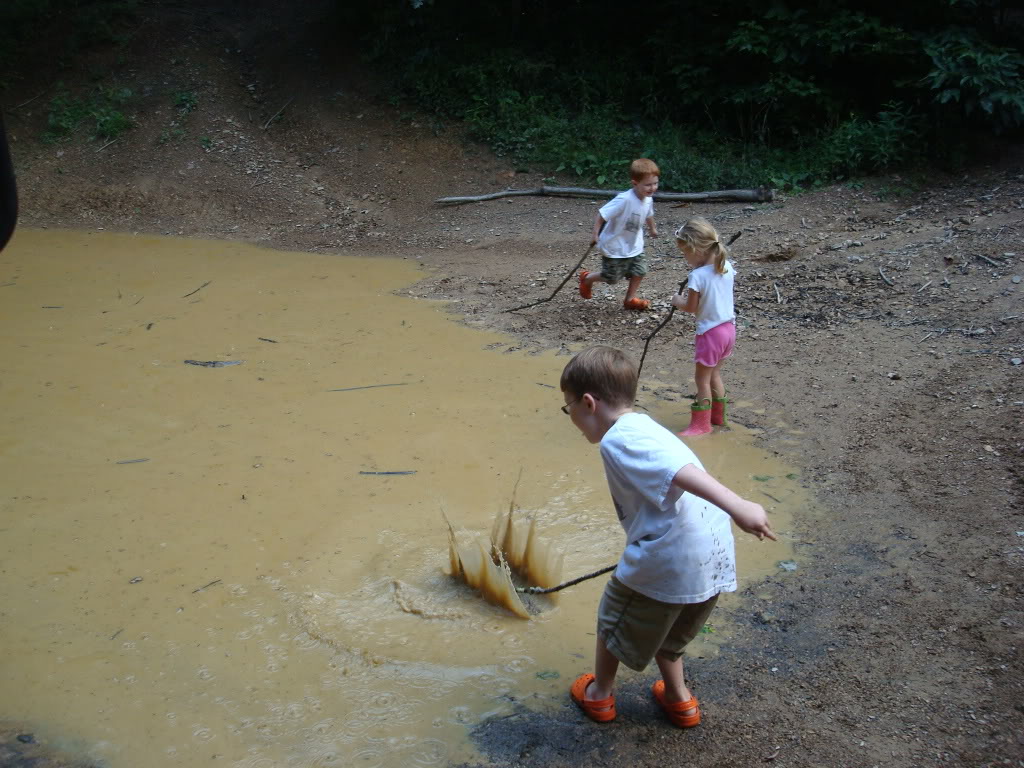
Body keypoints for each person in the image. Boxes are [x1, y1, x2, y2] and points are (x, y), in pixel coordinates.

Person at [559, 345, 775, 727]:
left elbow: (679, 472)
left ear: (588, 403)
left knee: (613, 620)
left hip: (671, 557)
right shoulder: (643, 425)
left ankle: (599, 696)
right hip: (710, 554)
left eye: (568, 407)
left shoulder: (619, 439)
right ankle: (680, 701)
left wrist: (738, 504)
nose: (571, 417)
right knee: (671, 630)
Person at [672, 216, 735, 436]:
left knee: (702, 379)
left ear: (697, 249)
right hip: (729, 330)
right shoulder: (726, 266)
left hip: (710, 334)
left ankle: (701, 425)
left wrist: (676, 301)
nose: (685, 258)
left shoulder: (697, 276)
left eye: (685, 253)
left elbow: (691, 307)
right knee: (715, 374)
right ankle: (718, 417)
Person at [579, 158, 659, 311]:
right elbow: (602, 214)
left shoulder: (648, 199)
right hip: (615, 245)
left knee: (640, 270)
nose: (652, 188)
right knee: (612, 277)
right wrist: (595, 234)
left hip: (634, 245)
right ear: (635, 183)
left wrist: (652, 228)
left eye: (655, 183)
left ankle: (629, 299)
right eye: (648, 184)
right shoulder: (624, 200)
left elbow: (649, 214)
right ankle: (587, 278)